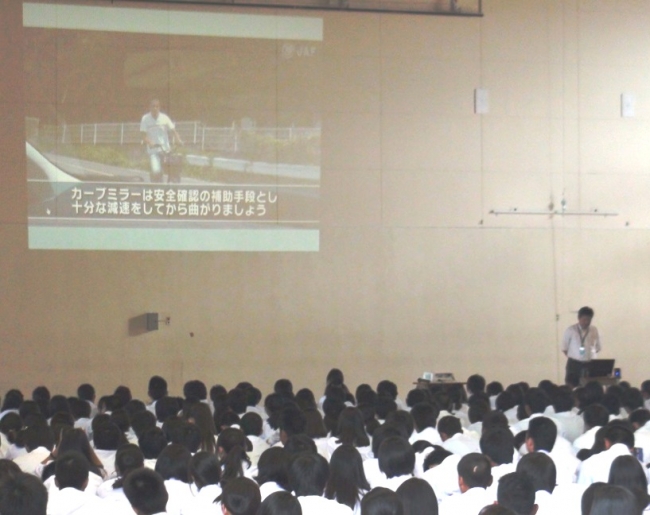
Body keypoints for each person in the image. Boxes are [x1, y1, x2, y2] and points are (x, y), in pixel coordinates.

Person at [140, 99, 183, 183]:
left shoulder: (164, 118)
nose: (155, 108)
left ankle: (172, 187)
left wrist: (178, 139)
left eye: (157, 106)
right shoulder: (145, 119)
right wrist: (150, 142)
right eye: (153, 106)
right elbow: (143, 135)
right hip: (153, 150)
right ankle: (156, 188)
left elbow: (173, 130)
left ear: (159, 107)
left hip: (166, 150)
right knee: (156, 171)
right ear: (150, 107)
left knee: (173, 170)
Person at [562, 307, 602, 387]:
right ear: (579, 318)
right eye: (584, 319)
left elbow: (597, 348)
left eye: (589, 320)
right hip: (574, 364)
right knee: (572, 386)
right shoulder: (571, 330)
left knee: (590, 387)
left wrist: (587, 356)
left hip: (590, 364)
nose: (586, 322)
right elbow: (564, 348)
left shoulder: (594, 330)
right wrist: (577, 357)